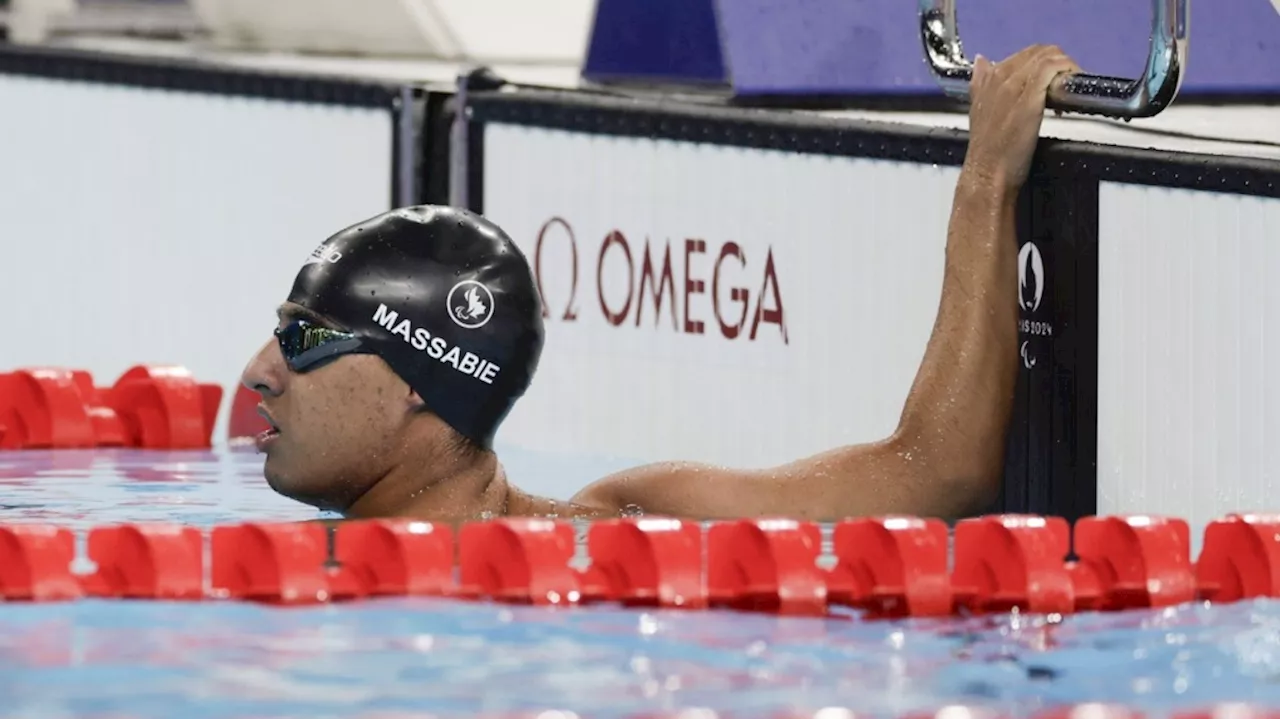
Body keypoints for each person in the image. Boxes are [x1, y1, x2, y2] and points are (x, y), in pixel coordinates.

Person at [240, 45, 1081, 524]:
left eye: (306, 338)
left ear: (420, 381)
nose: (258, 372)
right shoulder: (634, 531)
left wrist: (986, 181)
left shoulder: (637, 521)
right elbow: (935, 474)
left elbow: (937, 474)